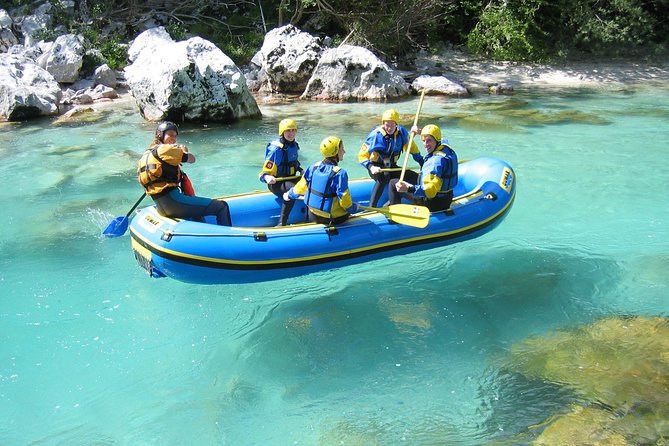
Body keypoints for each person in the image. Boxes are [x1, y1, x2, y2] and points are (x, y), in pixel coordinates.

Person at [137, 121, 231, 225]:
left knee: (197, 211)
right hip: (174, 202)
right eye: (170, 135)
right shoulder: (166, 149)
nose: (173, 139)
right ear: (160, 135)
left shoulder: (145, 155)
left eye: (175, 136)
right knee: (221, 207)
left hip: (161, 206)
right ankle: (231, 240)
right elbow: (192, 159)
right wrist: (184, 151)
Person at [283, 136, 358, 225]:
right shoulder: (340, 173)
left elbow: (300, 187)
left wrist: (289, 195)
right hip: (332, 218)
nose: (344, 152)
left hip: (313, 214)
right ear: (335, 153)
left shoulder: (312, 168)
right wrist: (353, 208)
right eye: (342, 149)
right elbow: (344, 200)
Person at [358, 108, 423, 207]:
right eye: (387, 125)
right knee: (384, 176)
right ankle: (372, 206)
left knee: (414, 176)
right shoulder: (375, 135)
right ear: (383, 124)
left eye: (392, 125)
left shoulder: (402, 133)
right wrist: (371, 167)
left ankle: (422, 197)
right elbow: (362, 156)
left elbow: (412, 148)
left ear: (396, 124)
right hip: (377, 168)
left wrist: (421, 161)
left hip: (392, 166)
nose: (389, 128)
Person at [389, 124, 458, 212]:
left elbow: (430, 192)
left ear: (436, 140)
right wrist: (420, 132)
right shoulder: (446, 148)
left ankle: (395, 214)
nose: (425, 144)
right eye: (424, 140)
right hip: (447, 198)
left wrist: (409, 188)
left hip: (432, 203)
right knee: (414, 177)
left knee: (393, 183)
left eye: (429, 140)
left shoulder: (434, 162)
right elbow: (442, 138)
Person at [259, 118, 303, 226]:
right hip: (277, 183)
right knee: (293, 190)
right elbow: (263, 173)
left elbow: (293, 162)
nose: (291, 133)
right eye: (288, 131)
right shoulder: (275, 150)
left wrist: (300, 170)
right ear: (282, 132)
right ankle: (281, 223)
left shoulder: (294, 145)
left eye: (293, 130)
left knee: (311, 181)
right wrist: (267, 177)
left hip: (290, 178)